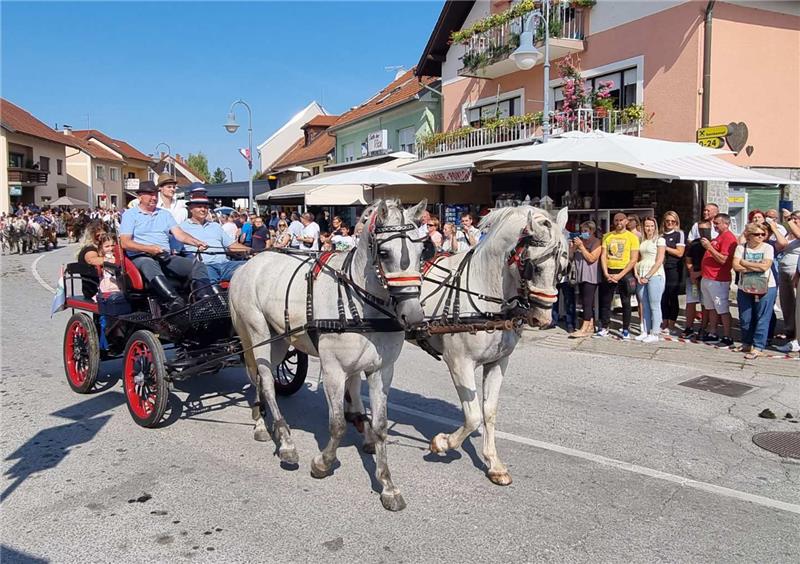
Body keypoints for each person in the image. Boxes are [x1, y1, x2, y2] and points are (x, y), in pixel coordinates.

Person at [119, 181, 212, 310]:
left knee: (197, 265)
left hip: (164, 255)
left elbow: (179, 234)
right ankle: (174, 300)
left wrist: (196, 242)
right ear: (140, 196)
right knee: (148, 263)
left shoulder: (164, 214)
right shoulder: (130, 215)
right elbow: (125, 242)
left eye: (155, 194)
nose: (154, 198)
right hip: (140, 256)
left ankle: (205, 299)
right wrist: (149, 249)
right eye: (150, 194)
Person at [180, 197, 251, 283]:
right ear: (191, 209)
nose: (203, 209)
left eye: (206, 207)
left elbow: (231, 246)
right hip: (204, 267)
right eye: (199, 206)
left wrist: (253, 251)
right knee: (210, 287)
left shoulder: (215, 226)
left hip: (226, 265)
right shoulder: (181, 228)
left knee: (253, 268)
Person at [733, 222, 778, 359]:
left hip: (766, 285)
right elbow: (735, 265)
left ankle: (758, 346)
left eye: (763, 234)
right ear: (749, 235)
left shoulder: (768, 247)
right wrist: (754, 266)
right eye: (757, 234)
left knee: (762, 316)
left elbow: (765, 267)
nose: (760, 237)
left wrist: (745, 263)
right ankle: (746, 342)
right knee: (745, 316)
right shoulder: (741, 248)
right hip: (744, 286)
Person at [596, 212, 639, 339]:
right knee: (606, 301)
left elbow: (634, 259)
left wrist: (620, 275)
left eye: (621, 220)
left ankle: (625, 329)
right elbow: (603, 255)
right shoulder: (607, 236)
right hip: (609, 270)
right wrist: (605, 272)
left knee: (626, 302)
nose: (618, 222)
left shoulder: (632, 237)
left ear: (626, 221)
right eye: (616, 220)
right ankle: (605, 327)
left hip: (624, 272)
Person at [699, 213, 737, 347]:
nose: (714, 226)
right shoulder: (719, 237)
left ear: (726, 224)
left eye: (717, 223)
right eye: (714, 223)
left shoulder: (729, 238)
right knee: (711, 307)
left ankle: (727, 335)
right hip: (708, 276)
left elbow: (724, 260)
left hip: (718, 278)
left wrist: (709, 247)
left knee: (722, 307)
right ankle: (713, 332)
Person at [635, 217, 666, 343]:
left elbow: (659, 260)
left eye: (652, 226)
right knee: (644, 304)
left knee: (655, 304)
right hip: (641, 273)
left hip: (655, 274)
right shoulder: (641, 240)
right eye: (647, 226)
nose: (649, 228)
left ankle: (655, 332)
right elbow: (637, 258)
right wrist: (638, 274)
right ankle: (645, 330)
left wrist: (648, 276)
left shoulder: (660, 240)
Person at [773, 209, 800, 352]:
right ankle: (790, 328)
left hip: (795, 270)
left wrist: (789, 219)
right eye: (793, 218)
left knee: (797, 305)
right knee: (786, 301)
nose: (794, 221)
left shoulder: (797, 232)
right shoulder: (789, 233)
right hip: (784, 268)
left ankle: (797, 335)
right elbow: (780, 245)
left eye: (796, 219)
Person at [569, 221, 602, 338]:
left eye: (586, 231)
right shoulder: (580, 242)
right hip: (580, 275)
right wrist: (572, 248)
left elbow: (592, 258)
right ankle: (590, 326)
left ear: (592, 231)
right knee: (584, 301)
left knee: (587, 303)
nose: (583, 234)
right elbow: (571, 257)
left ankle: (584, 327)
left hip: (590, 276)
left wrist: (582, 247)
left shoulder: (597, 242)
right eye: (582, 231)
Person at [682, 220, 712, 338]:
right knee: (691, 301)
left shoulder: (713, 243)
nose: (702, 232)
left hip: (706, 278)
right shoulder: (694, 243)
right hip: (693, 278)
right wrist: (692, 273)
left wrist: (700, 273)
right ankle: (689, 327)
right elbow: (688, 260)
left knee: (705, 304)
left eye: (705, 230)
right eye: (700, 230)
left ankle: (703, 328)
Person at [660, 211, 685, 335]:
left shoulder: (679, 234)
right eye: (667, 221)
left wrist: (665, 248)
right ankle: (664, 321)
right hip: (661, 268)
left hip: (673, 268)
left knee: (672, 296)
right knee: (662, 296)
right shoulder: (660, 235)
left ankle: (672, 323)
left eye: (672, 221)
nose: (670, 223)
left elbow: (680, 252)